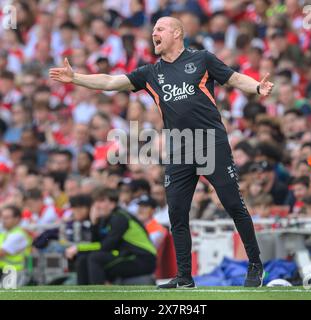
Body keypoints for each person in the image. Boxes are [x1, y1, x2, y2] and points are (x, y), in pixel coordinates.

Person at [50, 16, 274, 288]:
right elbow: (111, 82)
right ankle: (184, 278)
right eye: (153, 29)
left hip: (210, 142)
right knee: (177, 214)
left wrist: (257, 87)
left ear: (177, 32)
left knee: (233, 204)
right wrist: (76, 78)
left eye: (160, 28)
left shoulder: (202, 59)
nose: (153, 33)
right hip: (179, 147)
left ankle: (255, 265)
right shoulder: (150, 73)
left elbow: (234, 77)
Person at [65, 187, 156, 285]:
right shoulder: (105, 218)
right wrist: (94, 223)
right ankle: (82, 295)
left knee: (95, 258)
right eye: (96, 201)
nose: (97, 205)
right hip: (125, 255)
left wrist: (78, 248)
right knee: (83, 258)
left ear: (112, 204)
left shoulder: (120, 218)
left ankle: (99, 295)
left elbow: (106, 246)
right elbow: (97, 243)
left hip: (142, 259)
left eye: (101, 201)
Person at [0, 205, 31, 286]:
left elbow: (1, 252)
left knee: (7, 297)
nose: (3, 220)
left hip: (14, 272)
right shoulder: (5, 233)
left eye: (7, 218)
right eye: (2, 217)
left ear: (17, 219)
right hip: (5, 271)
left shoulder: (18, 235)